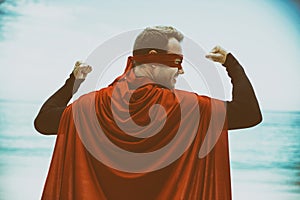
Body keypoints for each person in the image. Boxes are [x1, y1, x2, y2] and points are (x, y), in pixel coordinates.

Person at [34, 26, 262, 200]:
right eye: (177, 61)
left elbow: (43, 122)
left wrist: (73, 83)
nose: (181, 70)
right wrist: (231, 65)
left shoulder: (89, 107)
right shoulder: (188, 109)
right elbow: (249, 113)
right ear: (152, 58)